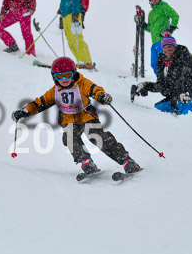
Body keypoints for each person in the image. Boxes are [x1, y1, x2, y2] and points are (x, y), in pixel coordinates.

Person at [11, 56, 141, 176]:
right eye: (59, 76)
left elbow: (95, 89)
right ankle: (85, 161)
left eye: (67, 75)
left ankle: (126, 161)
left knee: (96, 137)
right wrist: (24, 111)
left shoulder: (81, 83)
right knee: (69, 137)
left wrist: (102, 96)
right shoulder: (55, 91)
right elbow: (40, 103)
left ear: (74, 74)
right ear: (54, 77)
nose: (64, 80)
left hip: (87, 116)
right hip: (68, 120)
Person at [133, 35, 192, 115]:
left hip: (190, 95)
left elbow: (184, 76)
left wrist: (183, 92)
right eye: (164, 47)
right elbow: (161, 85)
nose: (167, 49)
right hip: (175, 96)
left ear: (174, 46)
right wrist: (145, 85)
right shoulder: (162, 61)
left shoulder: (184, 57)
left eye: (170, 46)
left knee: (186, 113)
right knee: (159, 110)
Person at [56, 0, 93, 70]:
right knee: (70, 39)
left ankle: (88, 62)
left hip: (73, 14)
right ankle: (81, 61)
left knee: (76, 38)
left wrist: (76, 12)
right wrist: (61, 10)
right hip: (67, 13)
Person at [138, 0, 180, 76]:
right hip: (154, 43)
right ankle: (162, 82)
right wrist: (144, 25)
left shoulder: (163, 6)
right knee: (154, 64)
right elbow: (151, 29)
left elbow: (175, 16)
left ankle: (170, 82)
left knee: (165, 64)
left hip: (164, 42)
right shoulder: (151, 13)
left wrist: (171, 29)